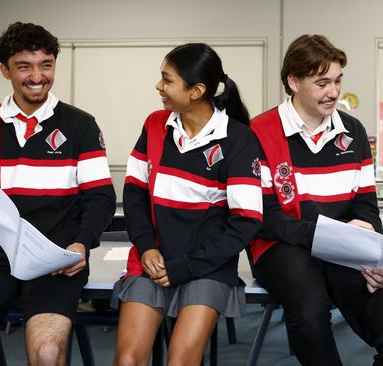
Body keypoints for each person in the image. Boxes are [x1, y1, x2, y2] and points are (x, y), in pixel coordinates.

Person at [0, 22, 116, 366]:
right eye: (24, 66)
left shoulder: (81, 126)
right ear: (5, 69)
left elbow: (100, 198)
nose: (37, 76)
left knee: (47, 354)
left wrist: (81, 244)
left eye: (46, 65)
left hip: (56, 261)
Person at [249, 34, 383, 366]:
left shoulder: (353, 131)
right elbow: (263, 217)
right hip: (282, 247)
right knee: (311, 316)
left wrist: (367, 234)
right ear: (294, 81)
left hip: (345, 248)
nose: (334, 92)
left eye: (338, 80)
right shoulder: (260, 131)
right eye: (322, 82)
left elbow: (367, 206)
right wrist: (323, 236)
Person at [113, 43, 263, 366]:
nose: (159, 87)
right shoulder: (154, 125)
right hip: (151, 260)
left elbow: (246, 222)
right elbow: (135, 194)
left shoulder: (239, 140)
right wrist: (146, 247)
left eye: (167, 80)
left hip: (205, 268)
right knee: (127, 360)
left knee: (180, 361)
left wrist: (185, 267)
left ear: (196, 91)